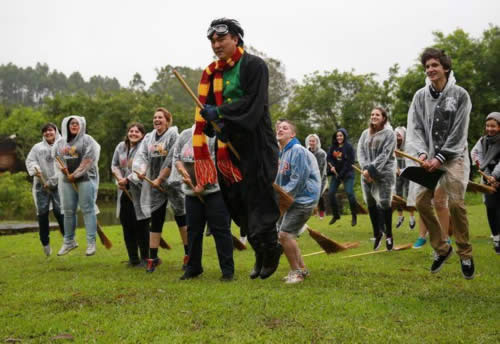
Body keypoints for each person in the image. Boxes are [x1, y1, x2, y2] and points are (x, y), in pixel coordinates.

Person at [196, 18, 282, 279]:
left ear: (236, 39)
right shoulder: (213, 73)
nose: (216, 44)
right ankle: (258, 251)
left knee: (258, 201)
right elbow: (209, 110)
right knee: (237, 202)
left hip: (256, 144)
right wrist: (211, 121)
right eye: (212, 40)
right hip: (229, 148)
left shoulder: (255, 66)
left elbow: (253, 104)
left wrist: (220, 111)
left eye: (221, 39)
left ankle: (271, 249)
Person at [406, 48, 474, 279]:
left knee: (455, 204)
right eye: (426, 67)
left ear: (445, 68)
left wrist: (440, 158)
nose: (430, 70)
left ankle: (465, 254)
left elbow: (459, 131)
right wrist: (423, 155)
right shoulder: (419, 97)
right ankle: (442, 248)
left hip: (453, 157)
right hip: (428, 158)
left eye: (434, 65)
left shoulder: (461, 95)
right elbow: (414, 128)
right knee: (421, 201)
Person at [174, 126, 235, 281]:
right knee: (193, 231)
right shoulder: (185, 134)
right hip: (191, 193)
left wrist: (203, 184)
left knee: (220, 231)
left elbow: (217, 161)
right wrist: (182, 171)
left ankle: (227, 271)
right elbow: (176, 158)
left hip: (215, 192)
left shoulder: (214, 134)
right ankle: (193, 268)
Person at [132, 108, 181, 273]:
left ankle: (189, 256)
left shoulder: (174, 136)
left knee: (182, 218)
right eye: (154, 117)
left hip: (173, 183)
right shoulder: (149, 137)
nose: (157, 120)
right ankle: (152, 259)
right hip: (154, 184)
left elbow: (172, 159)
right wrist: (142, 170)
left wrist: (161, 179)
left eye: (160, 117)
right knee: (156, 220)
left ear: (167, 120)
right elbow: (142, 156)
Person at [276, 120, 320, 284]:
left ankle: (297, 272)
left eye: (285, 128)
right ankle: (302, 268)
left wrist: (283, 196)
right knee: (286, 234)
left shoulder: (297, 151)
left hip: (303, 199)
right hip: (293, 199)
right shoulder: (284, 152)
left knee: (285, 234)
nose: (280, 129)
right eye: (279, 128)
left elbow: (299, 178)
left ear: (292, 134)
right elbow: (281, 178)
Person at [53, 116, 100, 256]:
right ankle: (69, 241)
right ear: (67, 126)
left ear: (82, 125)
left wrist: (77, 173)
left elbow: (89, 158)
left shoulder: (87, 140)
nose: (74, 125)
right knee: (68, 211)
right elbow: (56, 156)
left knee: (87, 209)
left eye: (76, 123)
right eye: (71, 123)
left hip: (85, 179)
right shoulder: (60, 142)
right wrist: (61, 168)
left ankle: (91, 243)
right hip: (67, 181)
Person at [357, 107, 396, 251]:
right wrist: (365, 169)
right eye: (372, 114)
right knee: (370, 201)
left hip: (384, 173)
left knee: (385, 202)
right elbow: (360, 151)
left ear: (384, 118)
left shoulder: (389, 134)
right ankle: (377, 233)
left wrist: (371, 170)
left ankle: (389, 235)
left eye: (377, 115)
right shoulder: (364, 134)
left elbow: (385, 154)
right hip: (366, 173)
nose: (374, 116)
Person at [111, 123, 150, 267]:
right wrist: (119, 177)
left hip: (139, 191)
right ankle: (133, 258)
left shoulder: (144, 148)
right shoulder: (121, 147)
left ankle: (145, 258)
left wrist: (127, 180)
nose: (133, 133)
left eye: (137, 132)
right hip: (124, 191)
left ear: (142, 135)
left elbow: (143, 167)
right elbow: (114, 164)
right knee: (127, 224)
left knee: (141, 225)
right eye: (131, 131)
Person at [25, 123, 65, 256]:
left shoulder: (63, 145)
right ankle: (45, 243)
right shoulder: (37, 148)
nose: (48, 133)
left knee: (60, 212)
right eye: (45, 131)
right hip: (40, 185)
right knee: (42, 214)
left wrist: (53, 181)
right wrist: (35, 169)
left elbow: (68, 162)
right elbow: (30, 161)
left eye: (50, 130)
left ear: (56, 131)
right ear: (43, 134)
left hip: (58, 184)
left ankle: (68, 239)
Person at [471, 112, 500, 254]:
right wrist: (488, 176)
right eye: (488, 126)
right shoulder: (483, 141)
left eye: (493, 126)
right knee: (491, 208)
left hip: (498, 177)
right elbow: (476, 154)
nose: (490, 129)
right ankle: (496, 238)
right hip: (488, 179)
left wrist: (495, 176)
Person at [327, 128, 358, 226]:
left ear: (344, 136)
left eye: (341, 135)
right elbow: (329, 158)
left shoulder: (349, 147)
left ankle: (354, 216)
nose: (339, 137)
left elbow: (349, 163)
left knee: (350, 193)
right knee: (331, 193)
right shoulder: (333, 147)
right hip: (336, 174)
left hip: (347, 174)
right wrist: (332, 167)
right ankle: (336, 215)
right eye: (337, 136)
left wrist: (341, 174)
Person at [394, 126, 416, 229]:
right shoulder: (393, 146)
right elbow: (392, 159)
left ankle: (412, 217)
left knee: (408, 194)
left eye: (399, 135)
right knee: (398, 195)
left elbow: (411, 161)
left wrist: (404, 170)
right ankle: (400, 216)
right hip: (397, 173)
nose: (397, 137)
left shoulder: (408, 146)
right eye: (396, 135)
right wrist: (396, 168)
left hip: (408, 172)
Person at [305, 134, 327, 219]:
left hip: (320, 177)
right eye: (310, 141)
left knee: (319, 195)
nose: (311, 143)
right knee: (309, 195)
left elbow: (321, 168)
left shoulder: (321, 153)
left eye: (313, 141)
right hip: (308, 177)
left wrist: (318, 180)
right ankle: (312, 213)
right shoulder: (306, 151)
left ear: (317, 142)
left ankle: (321, 212)